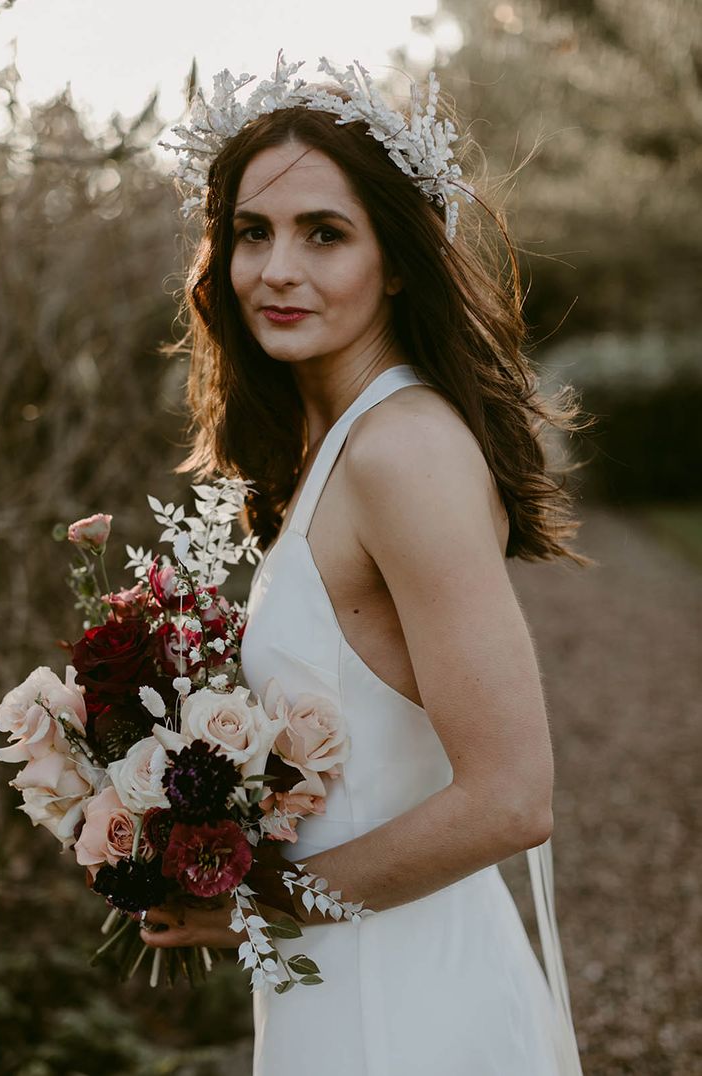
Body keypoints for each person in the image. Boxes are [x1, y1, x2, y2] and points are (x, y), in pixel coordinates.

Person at [140, 55, 589, 1075]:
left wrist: (254, 902)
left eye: (323, 233)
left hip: (406, 1008)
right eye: (251, 231)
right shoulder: (337, 444)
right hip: (343, 985)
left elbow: (512, 795)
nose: (276, 269)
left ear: (394, 259)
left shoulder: (402, 451)